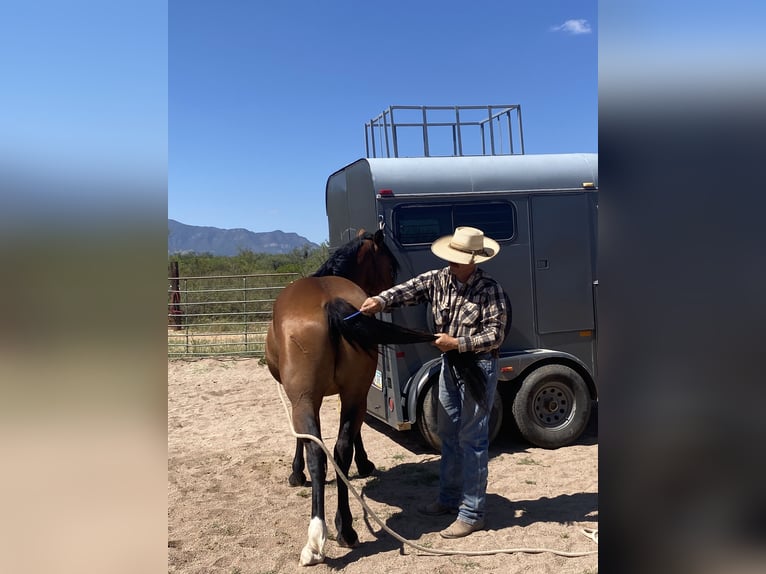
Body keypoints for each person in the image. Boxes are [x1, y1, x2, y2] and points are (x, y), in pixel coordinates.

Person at [360, 226, 508, 538]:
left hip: (479, 365)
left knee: (473, 438)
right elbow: (407, 291)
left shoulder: (490, 289)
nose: (451, 263)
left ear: (473, 260)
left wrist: (457, 343)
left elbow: (496, 334)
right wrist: (379, 301)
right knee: (448, 432)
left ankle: (472, 512)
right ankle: (449, 498)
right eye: (451, 257)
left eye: (457, 259)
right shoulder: (438, 279)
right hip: (450, 365)